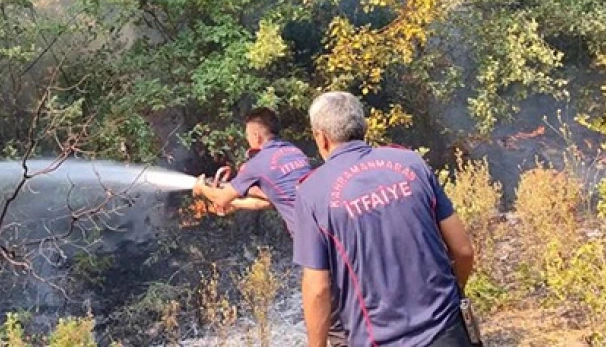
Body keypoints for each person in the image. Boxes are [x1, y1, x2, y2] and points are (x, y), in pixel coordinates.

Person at [294, 92, 476, 347]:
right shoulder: (411, 163)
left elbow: (318, 290)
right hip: (446, 331)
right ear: (364, 127)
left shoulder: (312, 193)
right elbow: (463, 250)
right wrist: (452, 299)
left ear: (321, 137)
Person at [193, 107, 349, 346]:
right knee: (349, 308)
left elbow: (220, 198)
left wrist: (201, 188)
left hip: (315, 243)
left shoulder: (259, 163)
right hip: (339, 234)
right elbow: (273, 201)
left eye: (247, 135)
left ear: (256, 136)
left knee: (333, 318)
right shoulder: (293, 153)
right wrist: (237, 204)